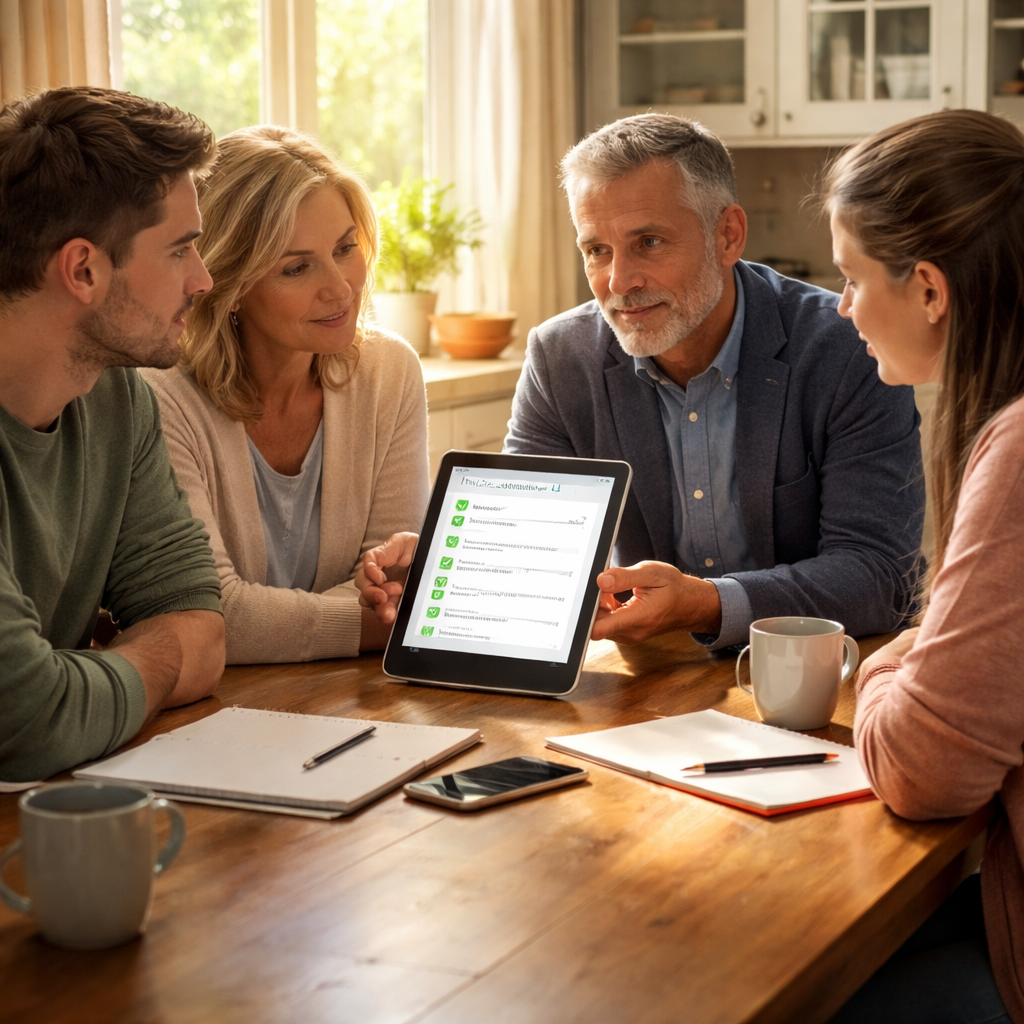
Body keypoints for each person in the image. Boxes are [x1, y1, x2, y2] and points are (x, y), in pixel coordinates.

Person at [361, 113, 924, 648]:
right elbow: (531, 548)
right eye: (596, 250)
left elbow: (879, 574)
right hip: (645, 680)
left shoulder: (849, 346)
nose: (619, 281)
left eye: (648, 243)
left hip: (819, 674)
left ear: (727, 235)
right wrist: (456, 565)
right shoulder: (561, 359)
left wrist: (706, 603)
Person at [822, 110, 1024, 1024]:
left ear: (931, 290)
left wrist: (885, 664)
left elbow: (920, 766)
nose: (842, 305)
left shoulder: (1018, 451)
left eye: (851, 276)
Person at [0, 87, 225, 783]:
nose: (204, 278)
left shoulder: (116, 398)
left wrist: (86, 680)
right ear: (84, 270)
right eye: (181, 250)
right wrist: (152, 660)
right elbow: (32, 720)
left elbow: (202, 627)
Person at [141, 127, 429, 665]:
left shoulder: (388, 372)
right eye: (297, 268)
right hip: (212, 715)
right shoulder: (158, 397)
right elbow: (216, 617)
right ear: (227, 285)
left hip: (355, 696)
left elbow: (396, 587)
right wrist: (374, 621)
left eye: (346, 249)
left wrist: (382, 615)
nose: (341, 288)